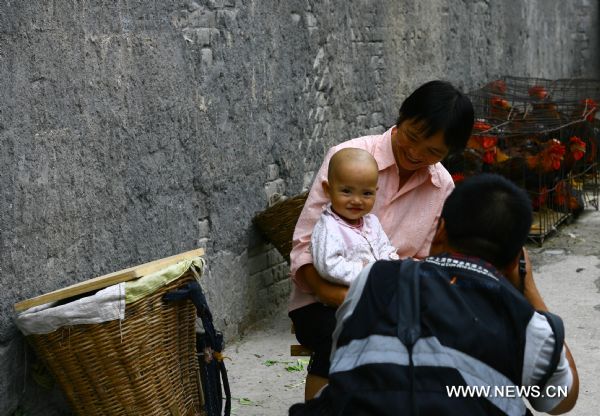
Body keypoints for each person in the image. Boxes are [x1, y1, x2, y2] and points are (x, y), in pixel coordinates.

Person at [289, 173, 579, 415]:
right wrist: (529, 289)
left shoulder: (374, 280)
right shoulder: (528, 324)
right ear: (516, 260)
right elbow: (560, 400)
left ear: (440, 230)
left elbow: (346, 357)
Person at [288, 80, 475, 399]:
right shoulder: (349, 158)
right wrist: (333, 294)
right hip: (321, 301)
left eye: (432, 151)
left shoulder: (441, 187)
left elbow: (425, 263)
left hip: (392, 302)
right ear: (401, 117)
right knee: (348, 333)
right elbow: (305, 247)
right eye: (412, 137)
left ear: (449, 153)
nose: (415, 153)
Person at [311, 147, 399, 287]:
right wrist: (369, 273)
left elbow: (384, 248)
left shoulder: (372, 222)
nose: (357, 200)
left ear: (376, 192)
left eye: (366, 193)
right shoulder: (329, 227)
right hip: (349, 295)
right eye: (346, 191)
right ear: (328, 190)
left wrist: (391, 267)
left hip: (379, 285)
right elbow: (329, 266)